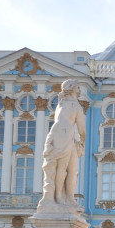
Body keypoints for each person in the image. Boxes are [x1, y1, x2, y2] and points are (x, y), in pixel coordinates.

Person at [39, 79, 85, 209]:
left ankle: (68, 197)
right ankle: (59, 196)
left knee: (71, 168)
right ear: (71, 89)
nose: (79, 90)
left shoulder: (62, 104)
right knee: (63, 167)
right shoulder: (75, 106)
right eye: (77, 87)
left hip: (62, 133)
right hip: (64, 133)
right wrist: (83, 140)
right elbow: (82, 128)